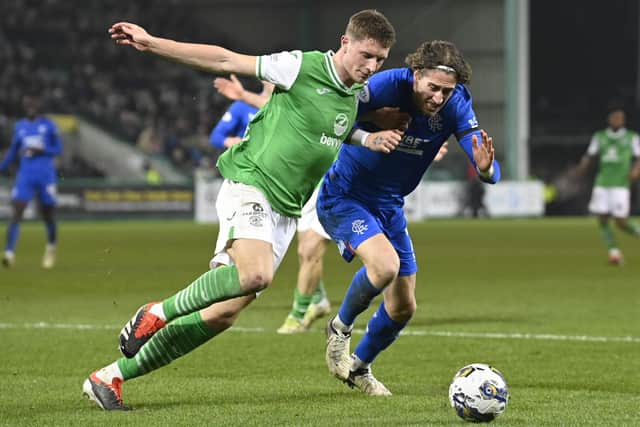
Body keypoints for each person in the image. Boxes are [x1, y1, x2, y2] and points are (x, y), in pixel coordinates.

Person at [84, 10, 398, 410]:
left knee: (222, 314)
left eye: (380, 60)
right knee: (256, 274)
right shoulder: (302, 65)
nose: (371, 66)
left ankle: (108, 378)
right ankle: (156, 311)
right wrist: (153, 43)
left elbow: (329, 128)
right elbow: (225, 59)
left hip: (285, 209)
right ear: (345, 42)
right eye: (366, 55)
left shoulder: (353, 93)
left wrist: (366, 139)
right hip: (251, 184)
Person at [320, 40, 501, 396]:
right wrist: (371, 122)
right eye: (432, 87)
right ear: (416, 75)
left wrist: (486, 168)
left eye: (446, 91)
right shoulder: (386, 86)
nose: (438, 97)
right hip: (345, 196)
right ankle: (339, 328)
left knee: (403, 307)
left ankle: (359, 368)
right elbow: (327, 117)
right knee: (384, 266)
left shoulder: (456, 104)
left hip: (389, 206)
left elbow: (488, 167)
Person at [212, 73, 333, 334]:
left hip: (319, 182)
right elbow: (217, 136)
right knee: (301, 251)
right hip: (283, 184)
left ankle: (299, 314)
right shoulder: (261, 106)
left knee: (309, 249)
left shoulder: (308, 96)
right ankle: (317, 298)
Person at [0, 92, 63, 269]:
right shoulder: (19, 126)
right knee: (16, 210)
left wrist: (41, 151)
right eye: (27, 105)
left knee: (48, 215)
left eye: (33, 105)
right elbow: (13, 152)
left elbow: (58, 149)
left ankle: (51, 248)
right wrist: (1, 167)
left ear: (39, 107)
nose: (30, 108)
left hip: (45, 176)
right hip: (25, 175)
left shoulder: (49, 125)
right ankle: (9, 253)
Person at [575, 106, 640, 265]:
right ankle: (614, 253)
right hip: (602, 183)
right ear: (609, 119)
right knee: (602, 219)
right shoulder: (600, 136)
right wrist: (582, 167)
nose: (618, 120)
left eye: (621, 118)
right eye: (615, 117)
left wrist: (635, 171)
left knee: (621, 222)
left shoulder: (632, 137)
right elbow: (590, 155)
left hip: (620, 184)